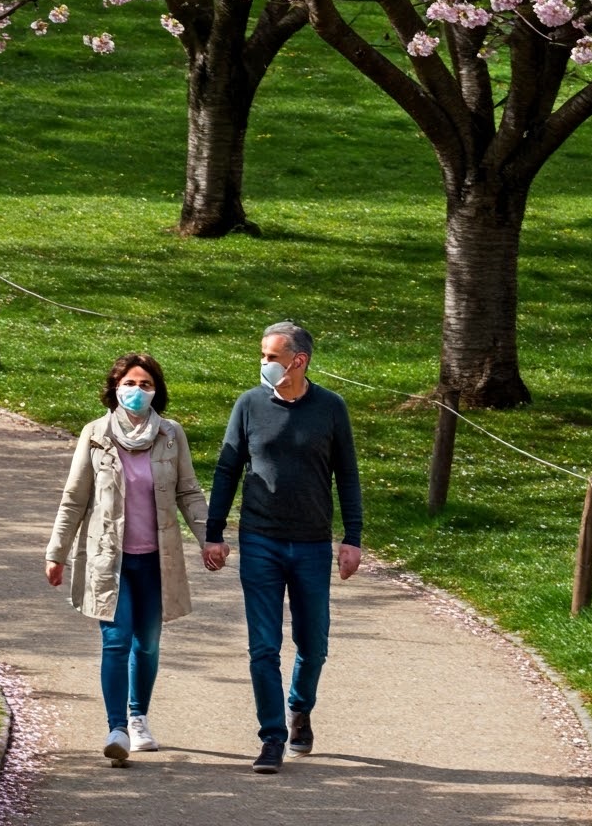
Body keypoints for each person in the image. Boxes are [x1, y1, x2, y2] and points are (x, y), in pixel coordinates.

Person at [203, 320, 363, 773]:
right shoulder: (249, 405)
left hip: (312, 544)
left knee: (314, 646)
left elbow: (347, 475)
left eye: (271, 357)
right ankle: (271, 737)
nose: (264, 364)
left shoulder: (331, 408)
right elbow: (227, 470)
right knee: (262, 648)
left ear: (299, 361)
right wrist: (214, 533)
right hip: (260, 541)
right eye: (262, 355)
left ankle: (300, 708)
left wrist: (352, 539)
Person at [45, 350, 212, 764]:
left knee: (149, 644)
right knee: (116, 642)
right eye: (129, 384)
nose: (137, 391)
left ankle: (139, 718)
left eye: (146, 384)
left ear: (157, 391)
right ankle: (116, 727)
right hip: (109, 560)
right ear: (114, 389)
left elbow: (188, 491)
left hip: (156, 560)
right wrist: (57, 553)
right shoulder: (95, 434)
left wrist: (210, 538)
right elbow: (74, 499)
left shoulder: (171, 435)